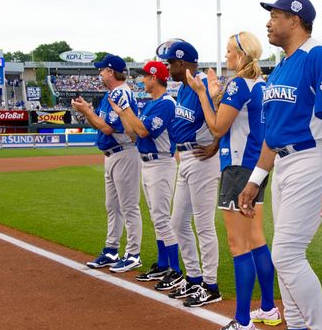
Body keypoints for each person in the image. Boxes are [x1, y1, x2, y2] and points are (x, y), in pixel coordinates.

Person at [238, 0, 322, 330]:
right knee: (283, 252)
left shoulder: (318, 56)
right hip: (284, 162)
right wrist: (255, 182)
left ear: (295, 19)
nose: (269, 23)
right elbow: (271, 134)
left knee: (287, 254)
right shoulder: (282, 66)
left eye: (275, 16)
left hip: (310, 158)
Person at [185, 31, 280, 330]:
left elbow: (217, 126)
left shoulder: (239, 84)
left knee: (239, 244)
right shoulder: (260, 84)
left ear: (241, 55)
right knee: (256, 239)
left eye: (229, 52)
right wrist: (215, 94)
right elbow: (234, 119)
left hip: (238, 169)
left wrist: (201, 92)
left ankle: (242, 322)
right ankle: (267, 307)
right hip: (256, 168)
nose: (225, 57)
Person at [154, 39, 222, 307]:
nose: (168, 68)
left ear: (182, 63)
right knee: (177, 222)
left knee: (204, 225)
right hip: (186, 157)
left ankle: (210, 284)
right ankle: (193, 278)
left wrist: (216, 145)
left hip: (202, 157)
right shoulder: (184, 88)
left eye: (171, 63)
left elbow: (222, 117)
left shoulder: (203, 83)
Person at [108, 60, 180, 286]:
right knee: (156, 217)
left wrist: (127, 110)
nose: (142, 80)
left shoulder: (166, 103)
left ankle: (175, 270)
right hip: (148, 163)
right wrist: (121, 113)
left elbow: (143, 130)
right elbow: (132, 134)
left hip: (161, 163)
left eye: (145, 76)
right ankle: (163, 264)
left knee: (161, 218)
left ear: (155, 78)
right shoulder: (151, 104)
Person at [70, 53, 143, 274]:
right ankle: (112, 250)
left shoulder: (120, 94)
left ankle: (133, 254)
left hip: (124, 153)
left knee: (128, 206)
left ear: (111, 72)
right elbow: (102, 123)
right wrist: (88, 111)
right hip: (112, 154)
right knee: (112, 206)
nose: (100, 73)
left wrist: (86, 112)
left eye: (102, 69)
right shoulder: (112, 93)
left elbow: (107, 127)